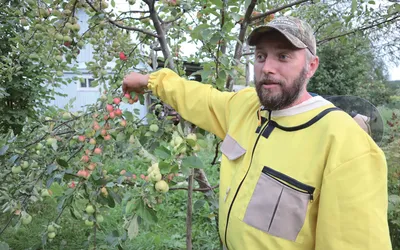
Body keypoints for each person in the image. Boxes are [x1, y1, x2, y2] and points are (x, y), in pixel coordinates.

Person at [122, 16, 392, 250]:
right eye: (261, 56)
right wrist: (149, 81)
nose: (268, 67)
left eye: (283, 56)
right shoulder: (246, 106)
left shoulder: (345, 145)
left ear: (311, 66)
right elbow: (199, 97)